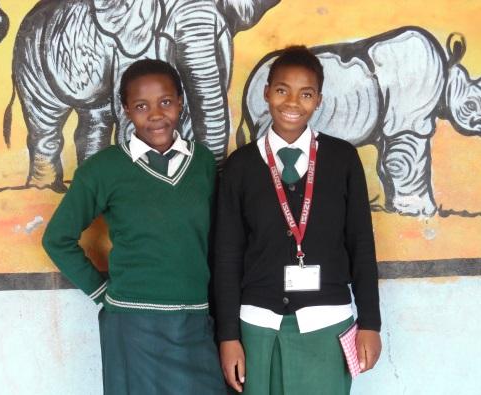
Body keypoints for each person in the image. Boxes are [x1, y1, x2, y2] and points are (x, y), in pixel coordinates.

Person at [42, 59, 226, 395]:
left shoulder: (202, 162)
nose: (155, 115)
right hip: (132, 325)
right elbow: (57, 238)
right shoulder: (104, 169)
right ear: (126, 110)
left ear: (181, 103)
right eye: (141, 106)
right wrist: (102, 293)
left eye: (165, 102)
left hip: (195, 321)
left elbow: (213, 240)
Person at [214, 46, 382, 395]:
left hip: (328, 326)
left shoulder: (341, 160)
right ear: (266, 93)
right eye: (281, 90)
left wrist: (371, 323)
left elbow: (361, 246)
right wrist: (228, 335)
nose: (292, 103)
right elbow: (227, 257)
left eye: (305, 94)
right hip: (257, 328)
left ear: (318, 100)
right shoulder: (240, 166)